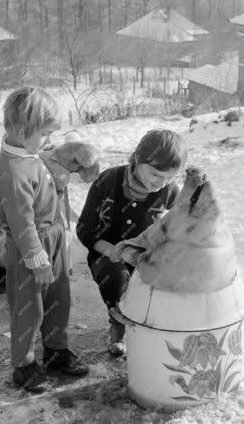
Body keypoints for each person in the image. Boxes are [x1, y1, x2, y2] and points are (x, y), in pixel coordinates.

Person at [0, 86, 89, 393]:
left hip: (53, 237)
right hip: (30, 247)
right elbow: (22, 221)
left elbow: (44, 180)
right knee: (29, 307)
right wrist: (37, 259)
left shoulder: (27, 153)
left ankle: (56, 349)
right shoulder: (13, 170)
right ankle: (23, 365)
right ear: (21, 129)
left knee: (59, 298)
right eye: (45, 134)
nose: (49, 141)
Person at [76, 130, 187, 356]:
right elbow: (84, 228)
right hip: (107, 256)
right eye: (155, 174)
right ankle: (119, 325)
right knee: (115, 276)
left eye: (170, 177)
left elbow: (182, 226)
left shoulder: (169, 191)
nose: (161, 183)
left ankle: (156, 327)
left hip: (145, 257)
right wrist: (108, 249)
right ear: (137, 158)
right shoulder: (107, 181)